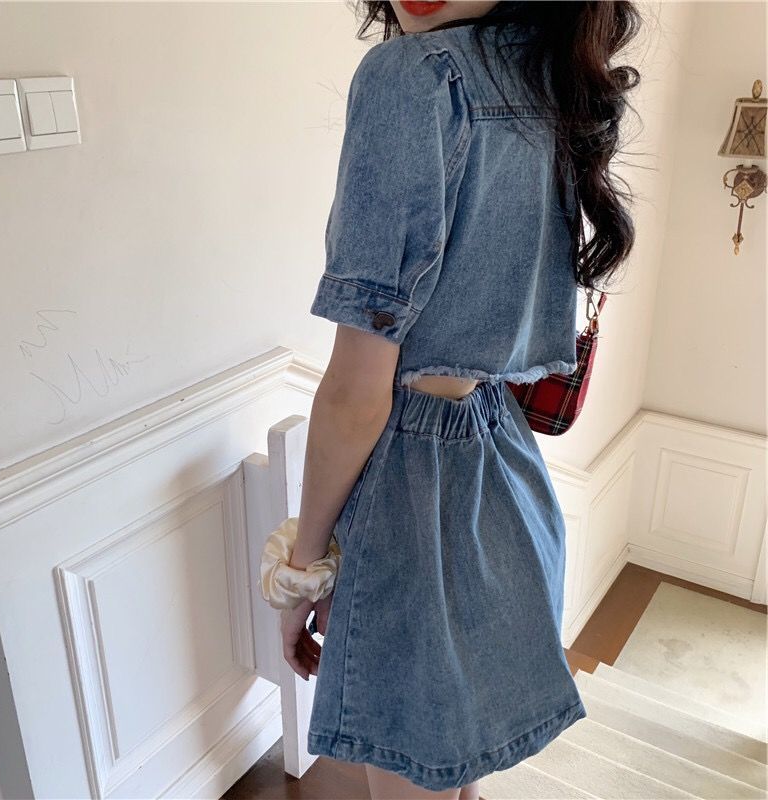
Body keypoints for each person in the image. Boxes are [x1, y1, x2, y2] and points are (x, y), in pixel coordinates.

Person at [264, 1, 642, 797]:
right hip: (502, 468)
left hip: (408, 492)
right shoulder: (542, 76)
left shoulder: (409, 76)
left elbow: (356, 395)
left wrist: (302, 572)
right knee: (454, 773)